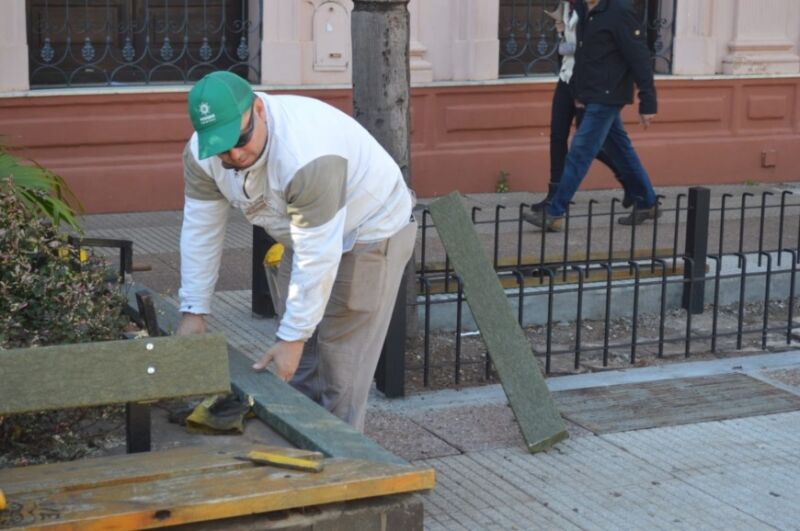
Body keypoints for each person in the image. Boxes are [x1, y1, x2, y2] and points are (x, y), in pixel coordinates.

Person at [175, 71, 416, 431]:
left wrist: (293, 336)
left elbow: (318, 253)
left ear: (259, 109)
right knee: (299, 368)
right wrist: (194, 310)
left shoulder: (306, 154)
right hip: (302, 230)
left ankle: (342, 468)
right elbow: (201, 230)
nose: (235, 154)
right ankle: (298, 451)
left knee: (340, 371)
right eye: (222, 148)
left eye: (240, 139)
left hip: (370, 230)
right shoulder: (202, 154)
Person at [526, 0, 659, 232]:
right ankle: (647, 202)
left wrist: (648, 101)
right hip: (591, 92)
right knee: (621, 149)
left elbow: (639, 56)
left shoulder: (620, 11)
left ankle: (555, 212)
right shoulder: (584, 11)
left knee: (580, 150)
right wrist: (579, 90)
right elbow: (583, 56)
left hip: (610, 94)